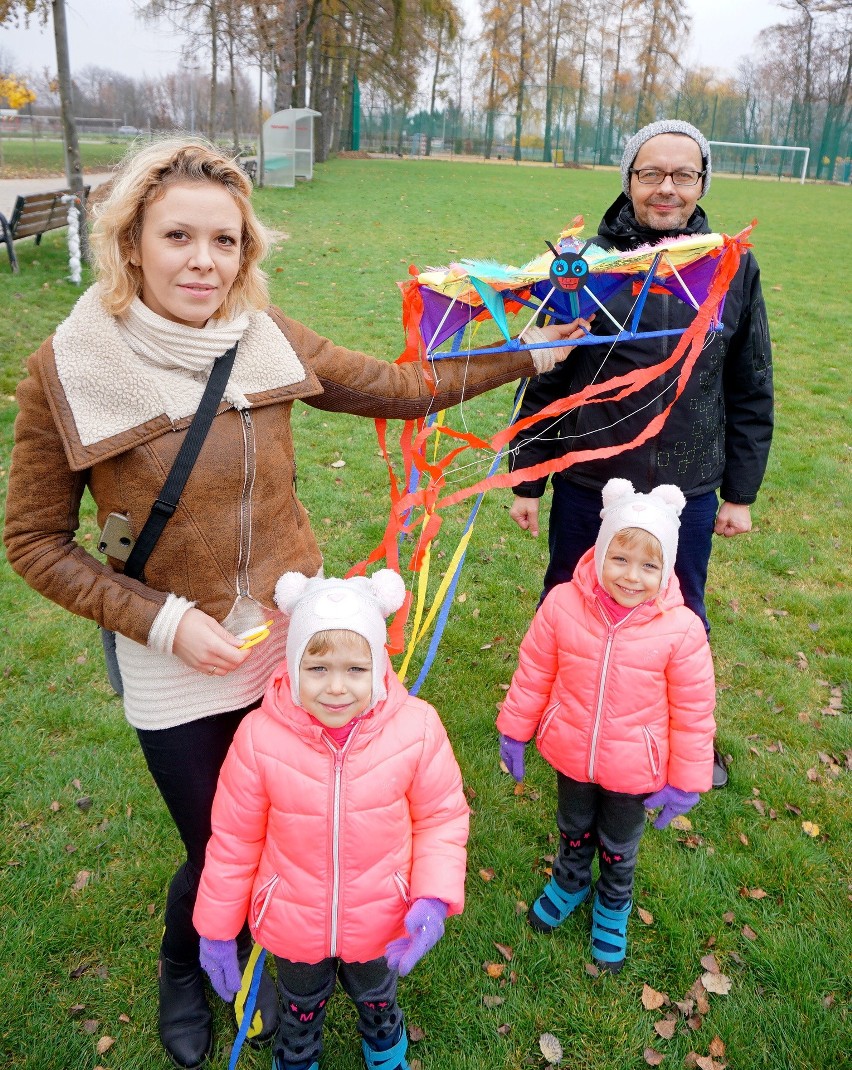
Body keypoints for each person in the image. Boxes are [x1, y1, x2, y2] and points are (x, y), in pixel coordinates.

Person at [2, 137, 585, 1069]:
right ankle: (187, 965)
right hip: (173, 657)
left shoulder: (262, 336)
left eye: (225, 241)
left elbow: (399, 387)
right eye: (179, 237)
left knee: (288, 821)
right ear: (132, 244)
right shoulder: (68, 367)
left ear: (247, 251)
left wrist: (525, 357)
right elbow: (33, 541)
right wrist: (162, 621)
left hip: (293, 638)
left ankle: (287, 948)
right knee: (216, 839)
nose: (205, 261)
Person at [507, 121, 772, 789]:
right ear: (628, 179)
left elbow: (751, 379)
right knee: (569, 604)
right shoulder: (586, 266)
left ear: (702, 183)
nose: (666, 188)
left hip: (689, 484)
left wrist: (739, 492)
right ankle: (556, 721)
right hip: (590, 479)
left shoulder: (731, 265)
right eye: (652, 173)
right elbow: (548, 375)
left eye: (683, 175)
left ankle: (687, 743)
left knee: (679, 619)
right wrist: (526, 479)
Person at [193, 568, 468, 1070]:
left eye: (355, 670)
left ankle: (384, 1037)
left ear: (380, 666)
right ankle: (298, 1048)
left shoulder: (418, 730)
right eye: (317, 669)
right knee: (300, 1000)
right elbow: (234, 841)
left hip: (381, 915)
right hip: (294, 919)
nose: (336, 688)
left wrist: (432, 896)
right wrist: (217, 928)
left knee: (376, 991)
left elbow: (442, 819)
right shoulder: (258, 739)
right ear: (293, 666)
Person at [497, 479, 716, 973]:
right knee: (573, 825)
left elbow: (694, 710)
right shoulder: (561, 606)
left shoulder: (679, 631)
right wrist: (516, 726)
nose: (632, 576)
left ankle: (613, 904)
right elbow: (534, 672)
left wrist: (687, 778)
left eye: (648, 565)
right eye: (619, 558)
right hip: (571, 750)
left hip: (635, 768)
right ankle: (570, 880)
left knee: (619, 843)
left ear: (667, 569)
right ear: (598, 551)